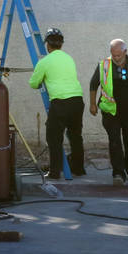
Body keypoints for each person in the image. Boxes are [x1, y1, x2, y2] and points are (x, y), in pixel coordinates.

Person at [89, 38, 128, 186]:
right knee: (115, 141)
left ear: (125, 52)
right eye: (113, 54)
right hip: (111, 111)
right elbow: (93, 84)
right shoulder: (104, 65)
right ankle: (118, 173)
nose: (115, 58)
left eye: (118, 55)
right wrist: (92, 104)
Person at [28, 27, 86, 179]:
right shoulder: (69, 58)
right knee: (75, 136)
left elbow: (34, 84)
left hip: (60, 102)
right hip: (77, 100)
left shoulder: (44, 62)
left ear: (47, 45)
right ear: (61, 44)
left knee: (54, 137)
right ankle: (79, 169)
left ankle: (55, 172)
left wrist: (42, 78)